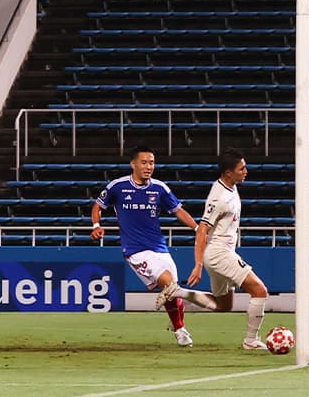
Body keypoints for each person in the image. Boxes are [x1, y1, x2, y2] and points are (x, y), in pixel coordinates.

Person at [91, 145, 217, 347]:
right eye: (144, 162)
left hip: (160, 247)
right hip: (135, 251)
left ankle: (178, 327)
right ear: (133, 164)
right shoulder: (118, 186)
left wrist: (197, 229)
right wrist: (96, 225)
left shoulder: (159, 188)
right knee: (170, 285)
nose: (149, 166)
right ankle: (188, 314)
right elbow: (98, 205)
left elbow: (178, 211)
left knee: (171, 291)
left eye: (152, 162)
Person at [187, 147, 270, 350]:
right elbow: (202, 230)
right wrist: (198, 265)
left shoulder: (230, 186)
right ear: (228, 172)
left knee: (223, 305)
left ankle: (178, 293)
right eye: (241, 168)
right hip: (219, 254)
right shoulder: (219, 198)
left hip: (222, 253)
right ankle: (251, 340)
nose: (245, 171)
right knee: (260, 291)